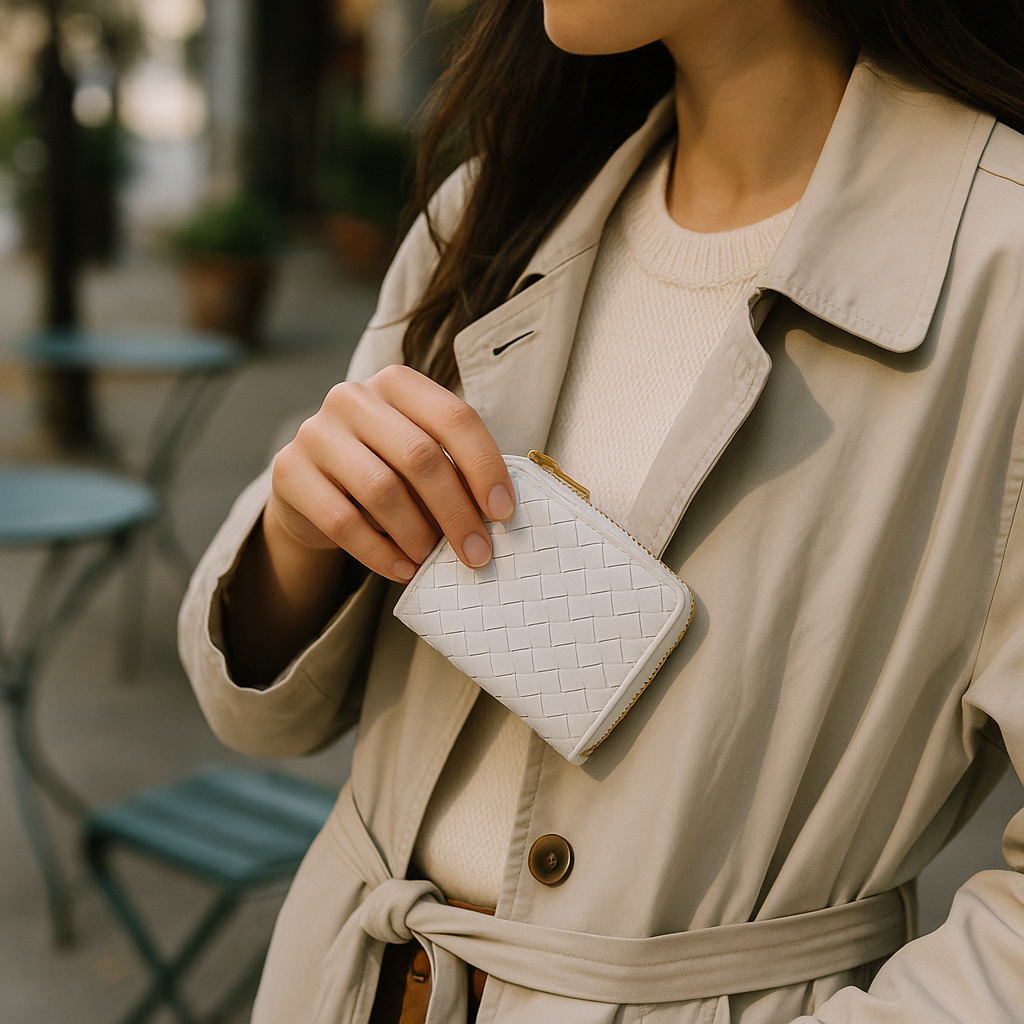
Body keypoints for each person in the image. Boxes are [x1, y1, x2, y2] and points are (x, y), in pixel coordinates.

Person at [179, 0, 1024, 1021]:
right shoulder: (491, 203)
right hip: (346, 978)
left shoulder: (999, 275)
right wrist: (299, 537)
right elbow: (255, 712)